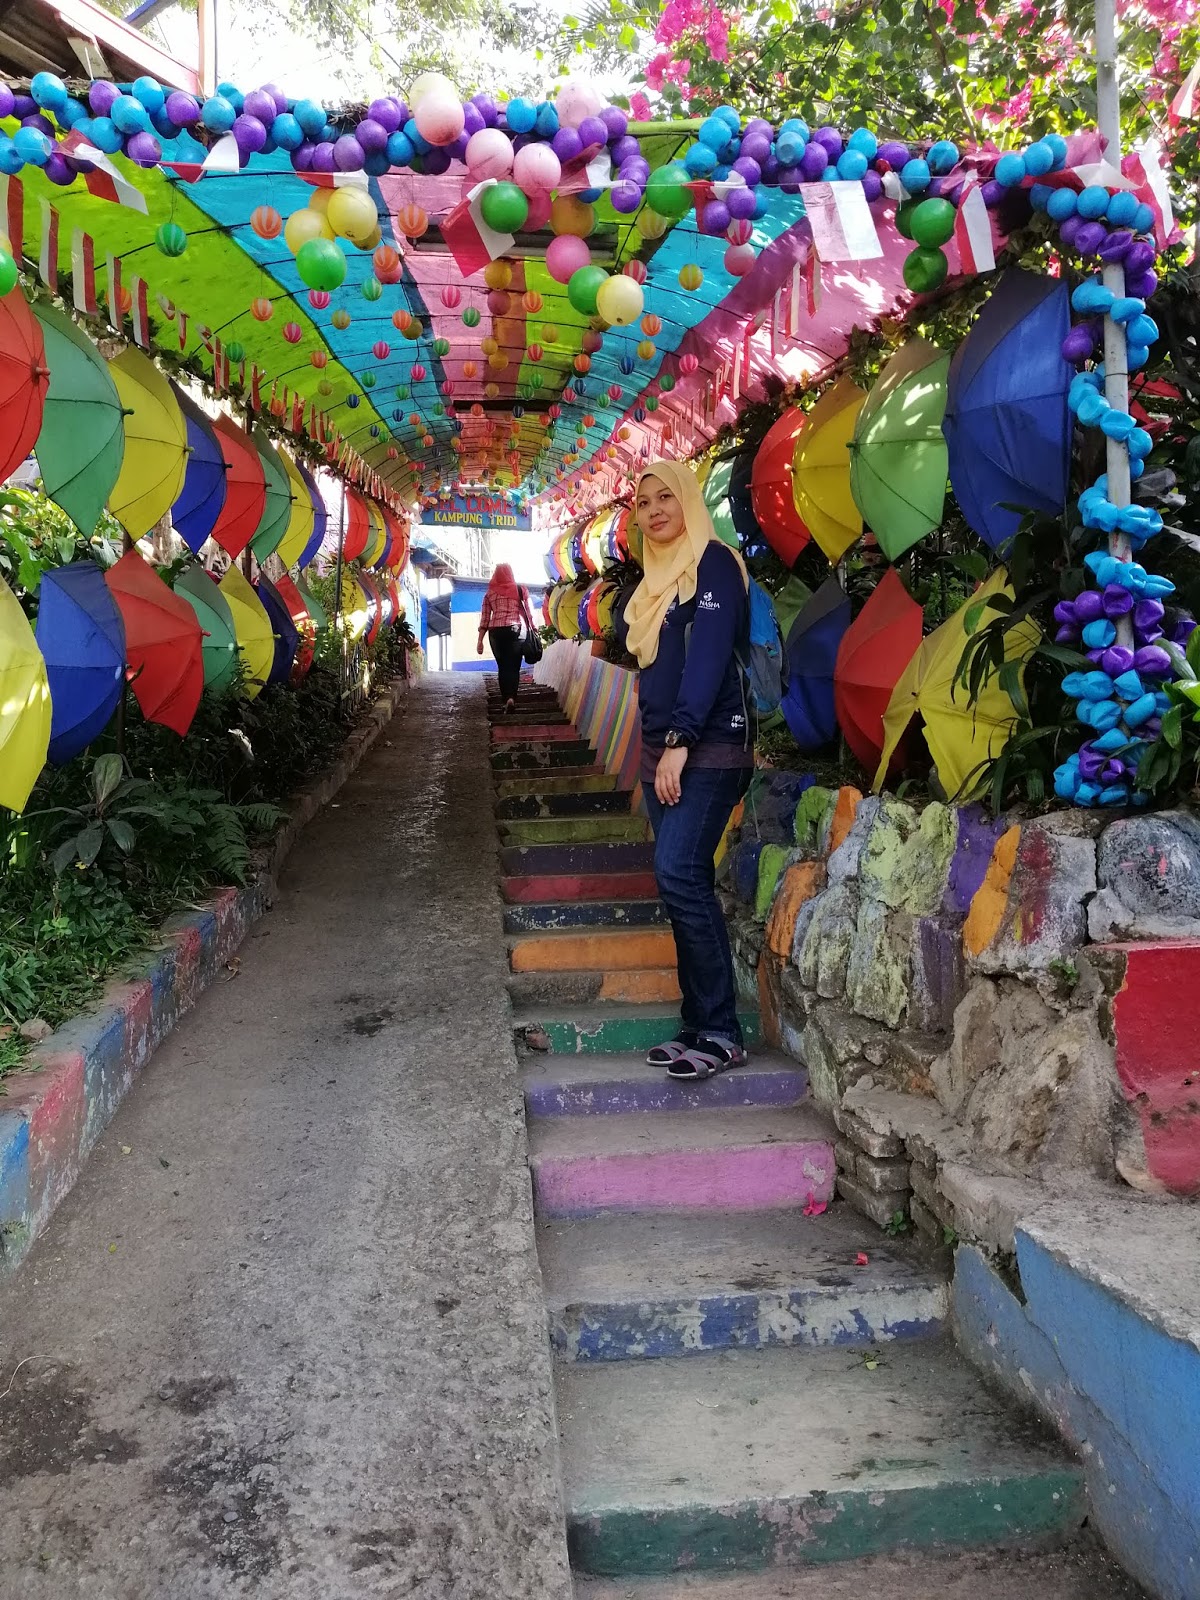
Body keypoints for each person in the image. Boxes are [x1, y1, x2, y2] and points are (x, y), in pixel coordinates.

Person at [625, 459, 753, 1081]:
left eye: (665, 497)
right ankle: (697, 1024)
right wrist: (659, 745)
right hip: (661, 752)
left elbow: (707, 657)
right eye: (643, 501)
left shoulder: (714, 564)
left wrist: (680, 739)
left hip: (710, 746)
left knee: (678, 872)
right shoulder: (653, 580)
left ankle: (722, 1030)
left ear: (688, 501)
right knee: (683, 883)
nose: (654, 510)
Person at [478, 563, 534, 713]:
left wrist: (480, 641)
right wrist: (533, 628)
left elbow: (485, 618)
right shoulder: (520, 589)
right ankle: (512, 698)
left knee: (502, 667)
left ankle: (505, 699)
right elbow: (528, 612)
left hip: (496, 633)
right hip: (516, 630)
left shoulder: (490, 593)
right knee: (514, 667)